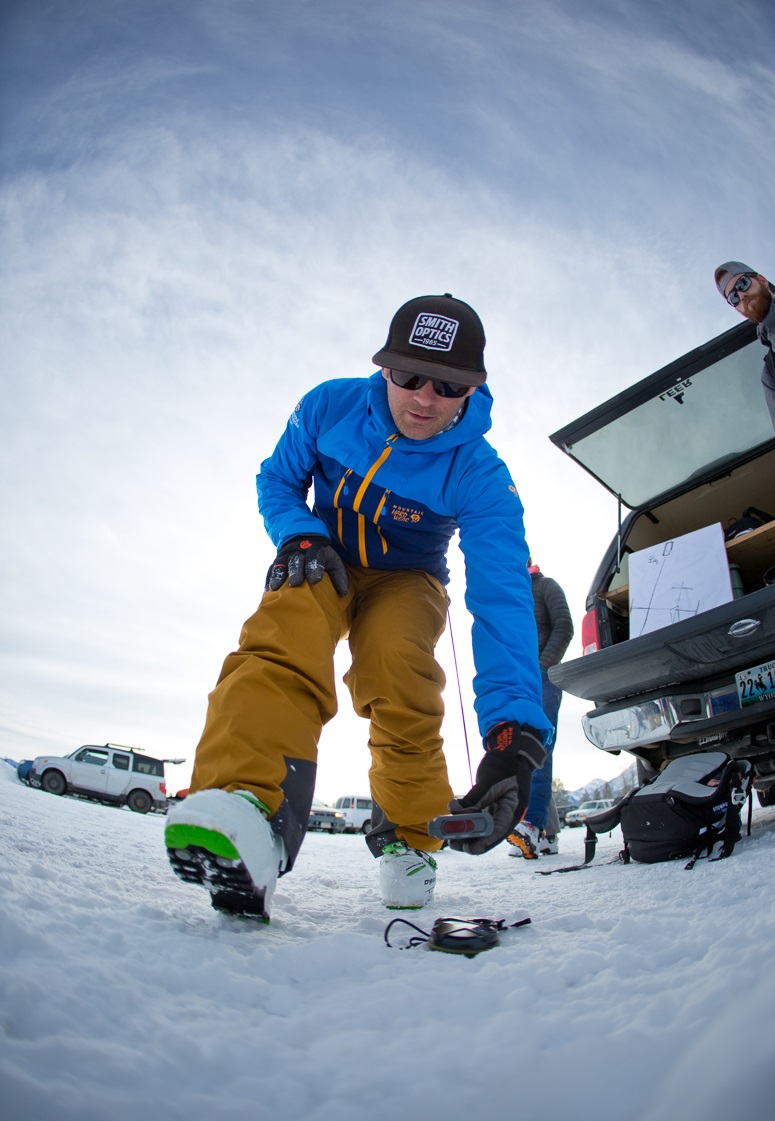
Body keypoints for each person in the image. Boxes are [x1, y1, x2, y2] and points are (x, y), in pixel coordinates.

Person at [165, 293, 552, 918]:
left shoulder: (481, 474)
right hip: (323, 557)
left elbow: (502, 598)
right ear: (385, 368)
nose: (424, 399)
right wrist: (300, 531)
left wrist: (515, 733)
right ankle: (244, 804)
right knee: (284, 627)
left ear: (472, 390)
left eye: (448, 386)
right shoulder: (329, 406)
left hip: (407, 580)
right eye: (409, 376)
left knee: (396, 663)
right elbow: (277, 478)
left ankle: (410, 835)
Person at [507, 563, 574, 860]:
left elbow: (564, 626)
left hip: (543, 679)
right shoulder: (511, 592)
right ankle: (549, 835)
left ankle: (532, 825)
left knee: (539, 750)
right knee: (524, 753)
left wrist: (543, 666)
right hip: (518, 683)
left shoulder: (547, 587)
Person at [714, 262, 775, 475]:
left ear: (762, 280)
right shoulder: (772, 374)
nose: (741, 296)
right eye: (733, 297)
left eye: (742, 284)